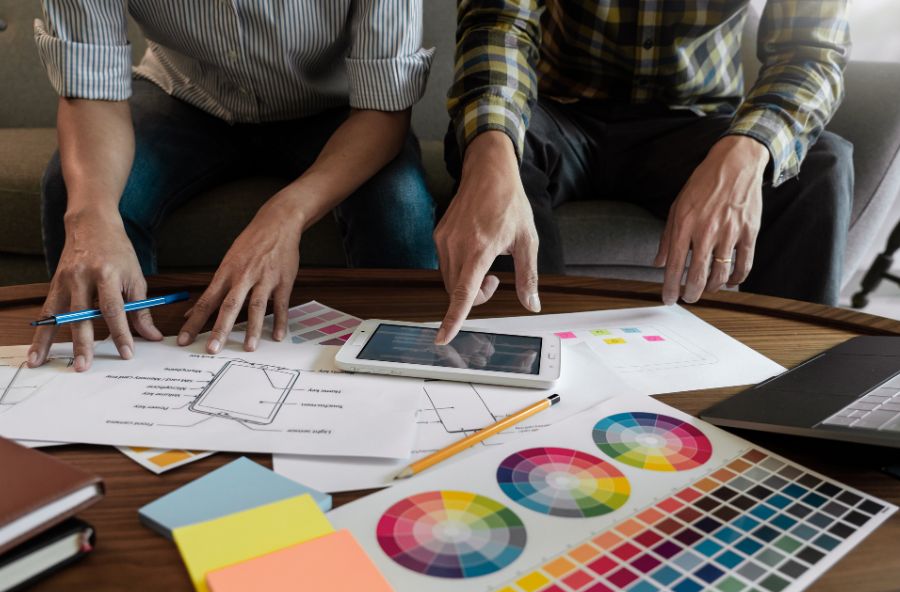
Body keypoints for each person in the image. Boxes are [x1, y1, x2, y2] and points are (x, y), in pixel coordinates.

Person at [28, 0, 437, 371]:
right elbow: (91, 88)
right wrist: (92, 214)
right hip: (188, 94)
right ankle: (124, 383)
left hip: (342, 111)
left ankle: (408, 375)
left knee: (400, 207)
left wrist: (286, 214)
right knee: (75, 195)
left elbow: (385, 107)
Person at [434, 0, 853, 345]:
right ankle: (524, 361)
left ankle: (792, 379)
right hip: (559, 113)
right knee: (490, 146)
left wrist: (748, 150)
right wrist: (493, 144)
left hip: (693, 125)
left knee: (820, 167)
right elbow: (499, 22)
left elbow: (810, 52)